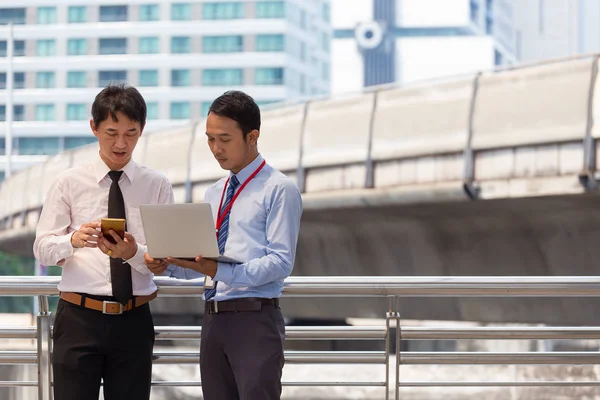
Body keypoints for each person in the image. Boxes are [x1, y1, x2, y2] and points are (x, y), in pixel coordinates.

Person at [145, 90, 303, 400]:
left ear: (252, 136)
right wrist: (171, 266)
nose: (216, 148)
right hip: (213, 319)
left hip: (254, 319)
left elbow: (280, 262)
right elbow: (209, 262)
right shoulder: (214, 193)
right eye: (210, 139)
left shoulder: (279, 189)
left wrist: (218, 270)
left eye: (225, 139)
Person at [33, 84, 174, 400]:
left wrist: (133, 252)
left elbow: (163, 260)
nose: (121, 143)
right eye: (112, 132)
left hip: (134, 320)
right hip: (79, 318)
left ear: (142, 130)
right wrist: (74, 240)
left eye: (131, 132)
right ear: (93, 127)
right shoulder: (68, 183)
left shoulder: (157, 185)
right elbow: (41, 247)